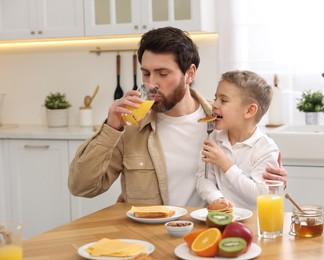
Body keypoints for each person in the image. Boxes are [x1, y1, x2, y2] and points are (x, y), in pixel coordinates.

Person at [68, 26, 287, 207]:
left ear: (190, 73)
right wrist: (111, 128)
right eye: (146, 73)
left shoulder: (222, 120)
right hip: (151, 240)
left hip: (207, 238)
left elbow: (253, 172)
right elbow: (82, 187)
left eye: (163, 74)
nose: (151, 83)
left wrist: (273, 183)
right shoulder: (131, 126)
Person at [196, 70, 280, 210]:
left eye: (223, 100)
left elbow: (261, 195)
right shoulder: (213, 137)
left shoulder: (266, 148)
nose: (214, 105)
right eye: (215, 98)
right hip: (220, 218)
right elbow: (204, 177)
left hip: (253, 225)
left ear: (249, 111)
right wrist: (217, 199)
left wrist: (225, 164)